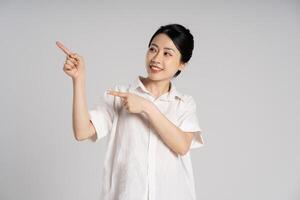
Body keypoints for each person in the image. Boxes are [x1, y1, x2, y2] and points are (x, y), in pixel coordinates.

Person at [56, 23, 204, 200]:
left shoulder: (184, 104)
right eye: (152, 49)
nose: (156, 58)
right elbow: (82, 132)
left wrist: (147, 107)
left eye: (167, 54)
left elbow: (182, 146)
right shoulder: (119, 95)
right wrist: (79, 79)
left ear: (182, 64)